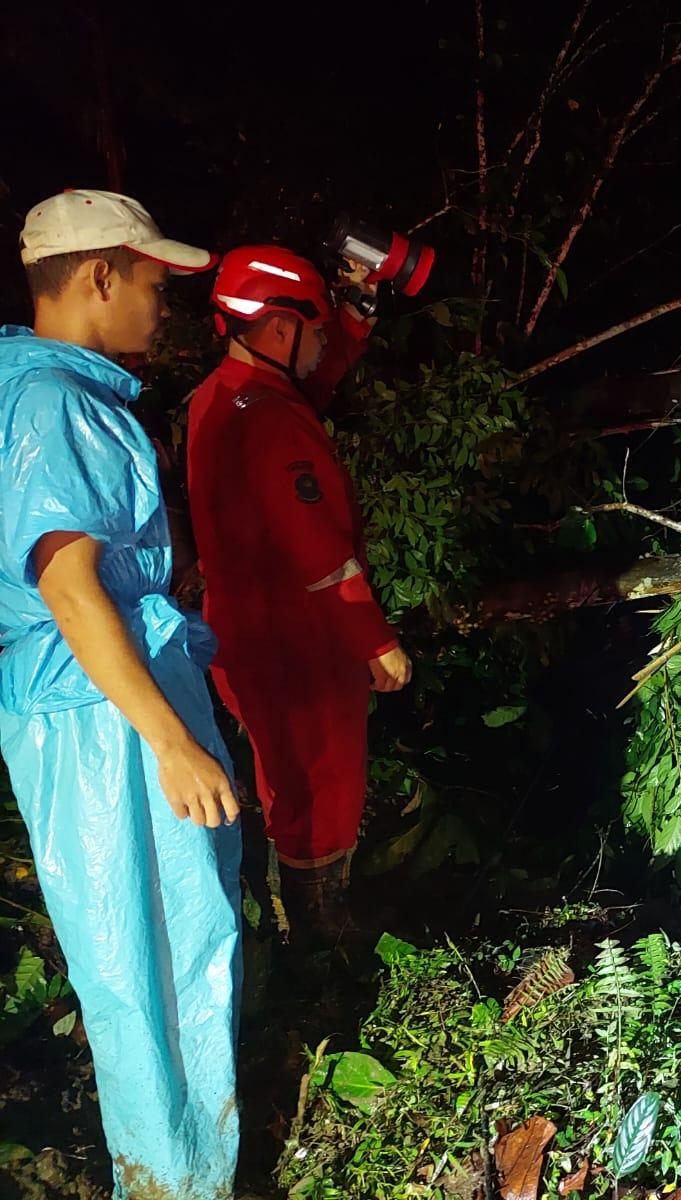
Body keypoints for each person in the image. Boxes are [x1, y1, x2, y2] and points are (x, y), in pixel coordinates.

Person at [0, 189, 240, 1198]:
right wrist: (171, 741)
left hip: (96, 705)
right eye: (153, 282)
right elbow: (68, 584)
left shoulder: (49, 394)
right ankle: (178, 1183)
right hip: (105, 719)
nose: (163, 304)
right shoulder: (54, 403)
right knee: (151, 957)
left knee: (153, 948)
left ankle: (183, 1169)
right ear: (100, 274)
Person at [186, 245, 411, 939]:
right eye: (315, 329)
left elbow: (311, 376)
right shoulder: (270, 420)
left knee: (288, 779)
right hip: (297, 642)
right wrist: (375, 641)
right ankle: (320, 934)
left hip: (250, 632)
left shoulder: (226, 393)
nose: (322, 346)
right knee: (322, 784)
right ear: (280, 327)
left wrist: (356, 311)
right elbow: (319, 551)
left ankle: (305, 921)